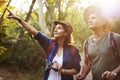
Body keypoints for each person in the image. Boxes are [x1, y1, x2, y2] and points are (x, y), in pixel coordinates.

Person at [6, 8, 81, 80]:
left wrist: (62, 70)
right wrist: (18, 19)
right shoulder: (49, 43)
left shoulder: (73, 49)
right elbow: (33, 30)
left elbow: (76, 70)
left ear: (66, 33)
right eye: (55, 27)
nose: (55, 29)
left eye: (59, 28)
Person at [76, 5, 120, 80]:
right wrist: (83, 74)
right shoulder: (87, 42)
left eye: (93, 18)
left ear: (102, 21)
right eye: (89, 18)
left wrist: (114, 73)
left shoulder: (114, 38)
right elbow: (87, 63)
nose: (89, 20)